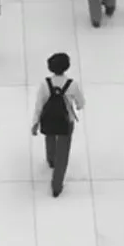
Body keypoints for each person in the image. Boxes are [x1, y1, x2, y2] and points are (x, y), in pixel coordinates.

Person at [32, 54, 85, 198]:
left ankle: (50, 159)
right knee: (63, 152)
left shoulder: (45, 84)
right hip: (65, 121)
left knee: (49, 137)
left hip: (48, 119)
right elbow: (81, 103)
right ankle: (56, 185)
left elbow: (39, 105)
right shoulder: (72, 85)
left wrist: (35, 123)